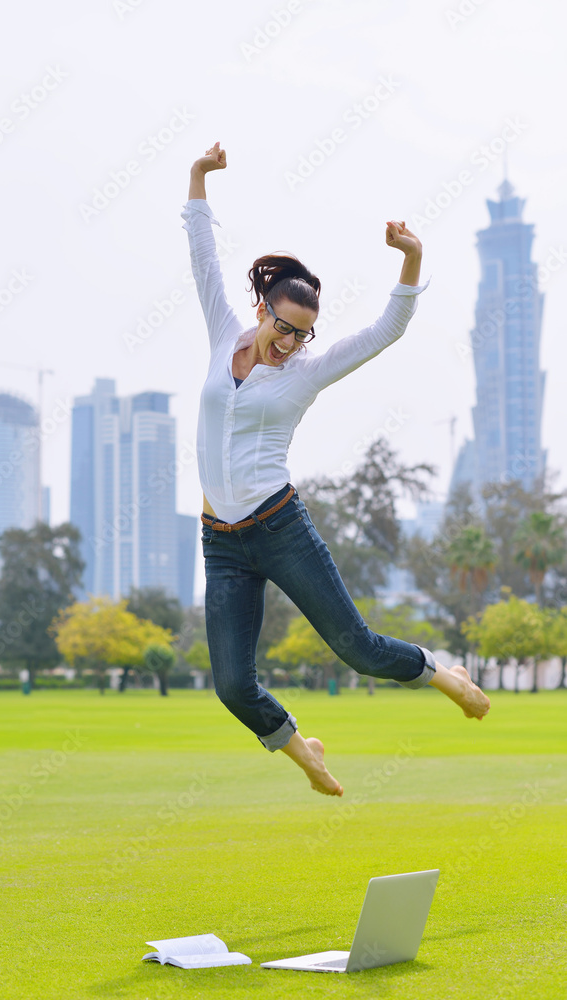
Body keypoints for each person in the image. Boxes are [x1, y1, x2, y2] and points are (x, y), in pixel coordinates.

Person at [182, 141, 490, 798]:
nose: (291, 343)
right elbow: (201, 257)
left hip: (278, 526)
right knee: (232, 685)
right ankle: (302, 748)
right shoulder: (222, 335)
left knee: (356, 646)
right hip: (220, 541)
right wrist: (197, 177)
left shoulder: (307, 371)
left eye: (303, 334)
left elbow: (387, 329)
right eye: (285, 327)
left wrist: (410, 257)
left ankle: (444, 675)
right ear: (263, 307)